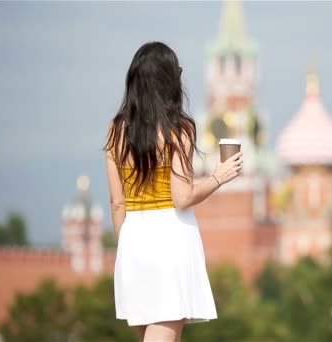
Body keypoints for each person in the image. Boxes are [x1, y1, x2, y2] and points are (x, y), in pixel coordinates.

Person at [103, 41, 243, 342]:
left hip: (132, 239)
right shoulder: (177, 129)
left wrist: (126, 245)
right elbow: (182, 197)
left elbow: (117, 203)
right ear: (169, 81)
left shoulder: (115, 131)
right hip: (170, 239)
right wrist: (219, 176)